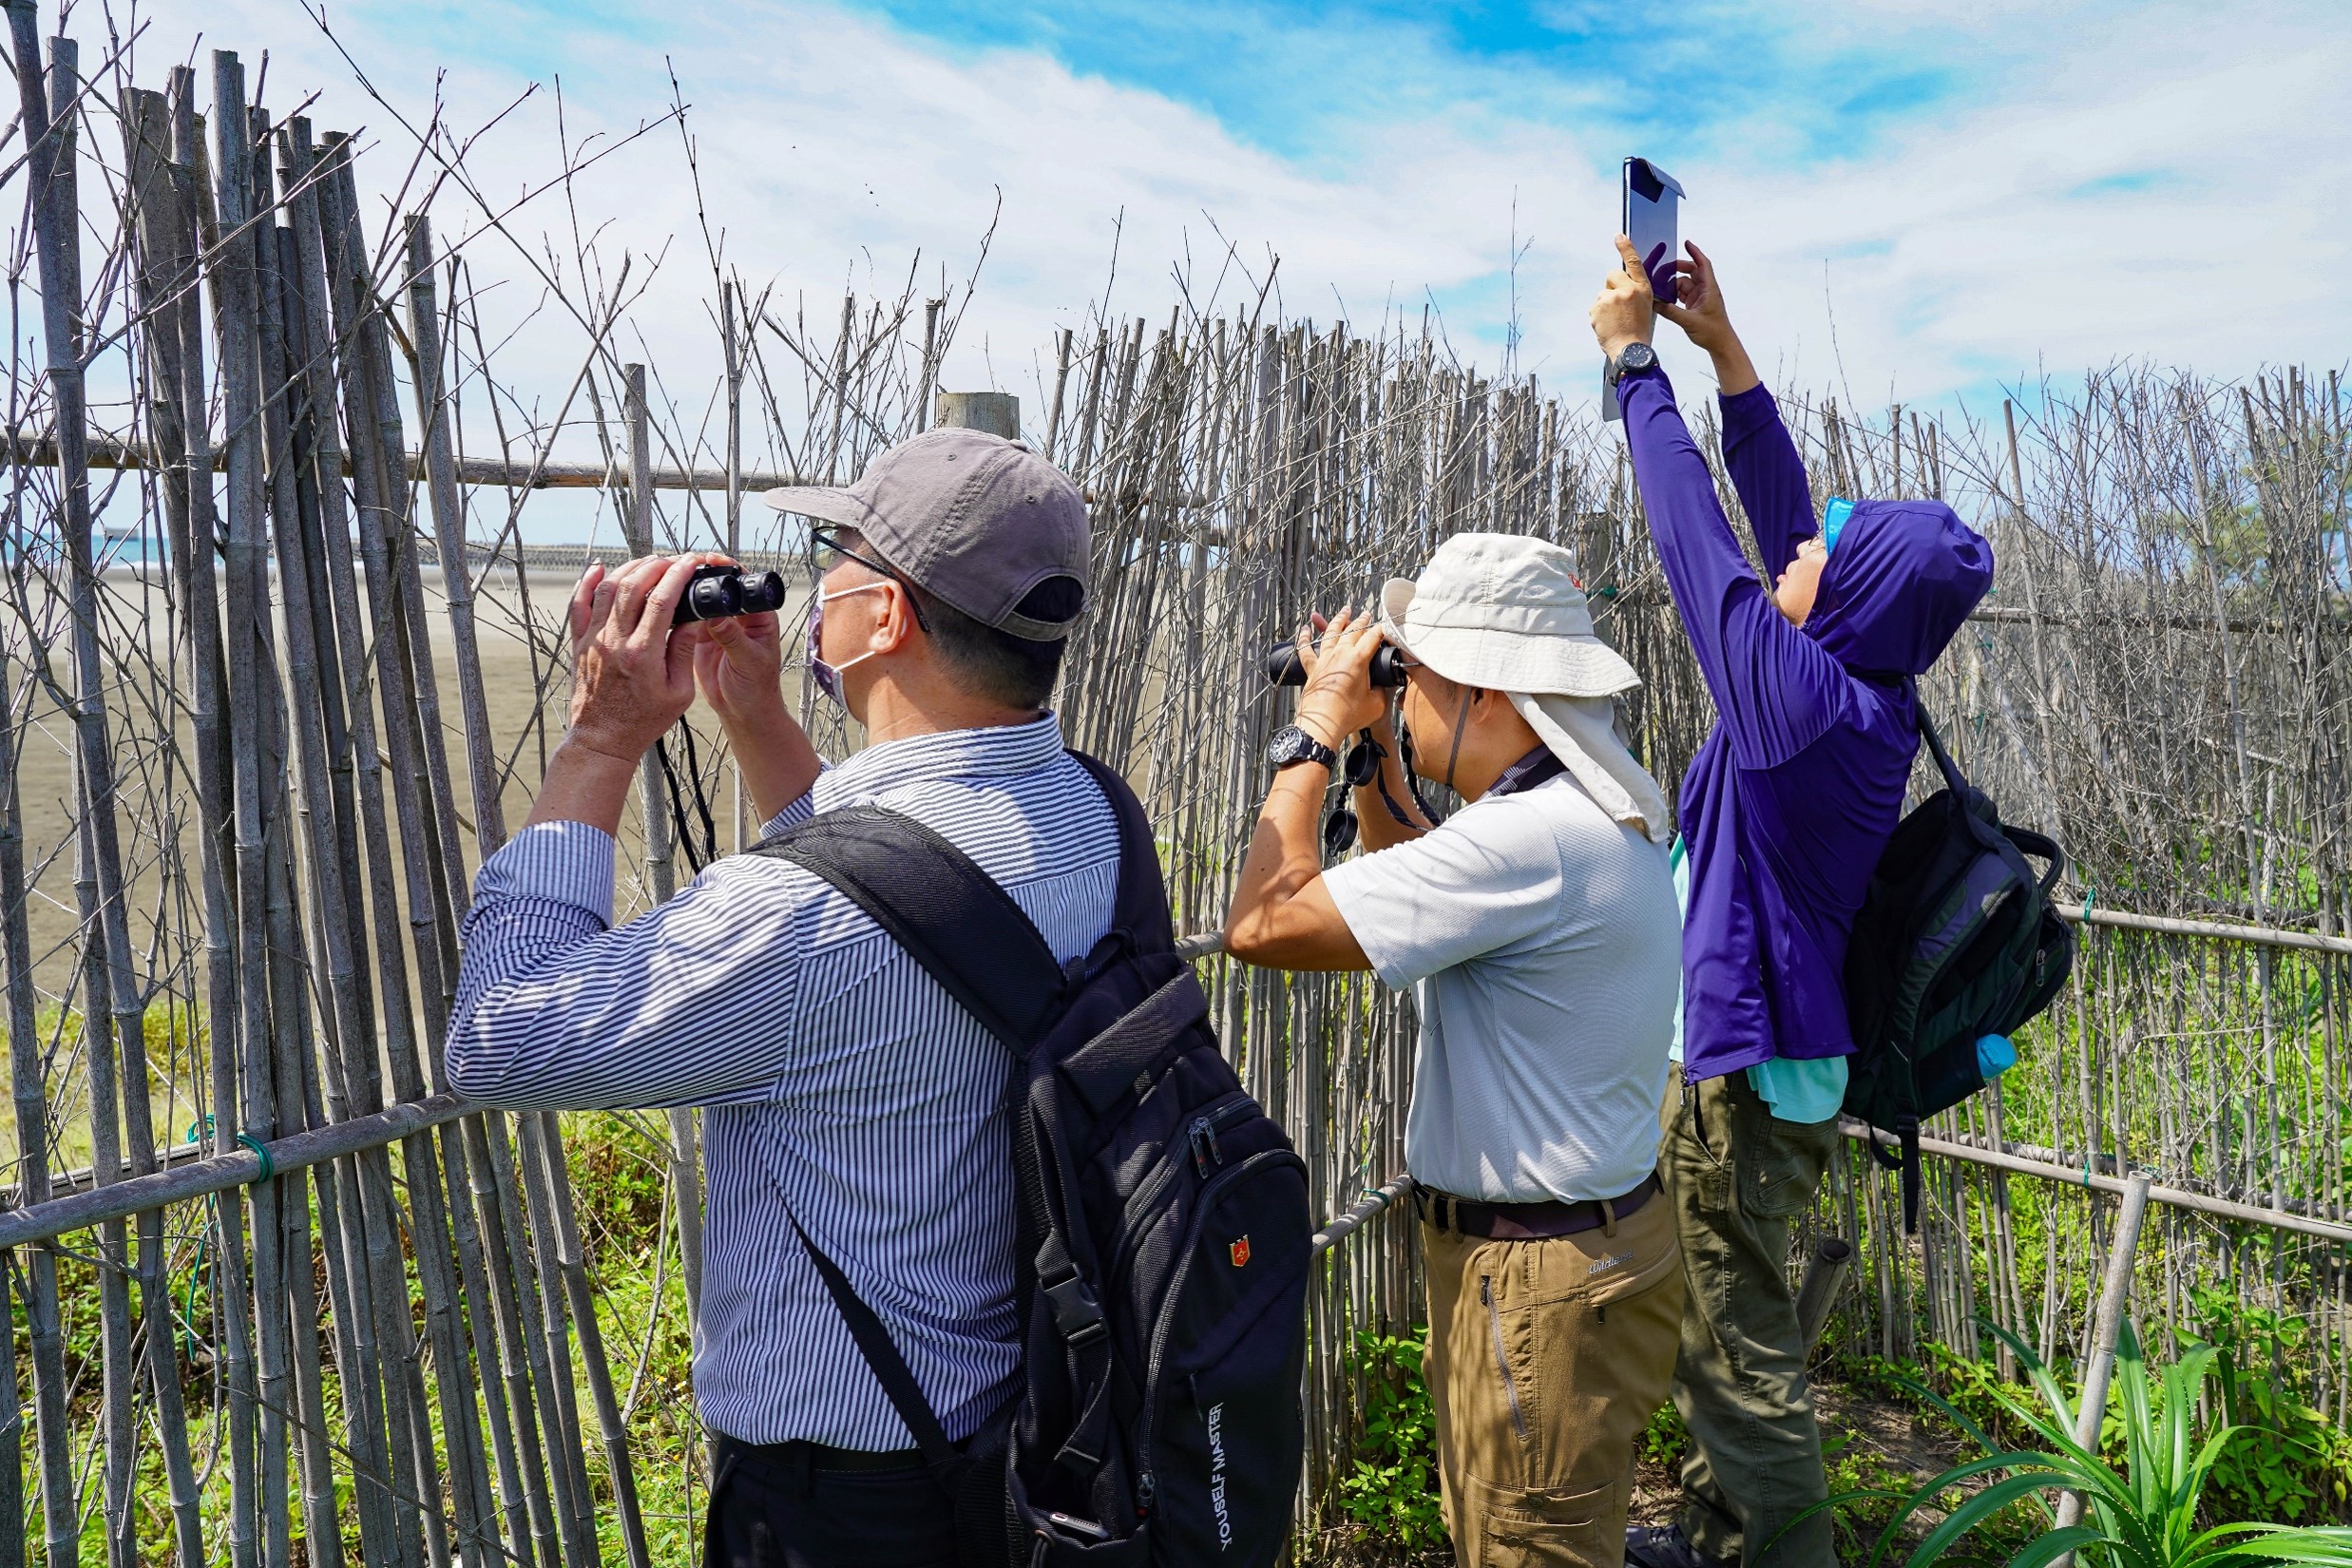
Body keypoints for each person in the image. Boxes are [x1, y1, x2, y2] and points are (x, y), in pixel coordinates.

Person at [444, 428, 1101, 1567]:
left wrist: (601, 738)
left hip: (842, 1501)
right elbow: (907, 893)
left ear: (886, 619)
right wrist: (750, 708)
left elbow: (503, 1039)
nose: (817, 583)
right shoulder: (1094, 816)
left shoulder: (790, 924)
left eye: (829, 552)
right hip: (1022, 1428)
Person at [1589, 238, 1994, 1568]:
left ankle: (1782, 1553)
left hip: (1746, 1073)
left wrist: (1635, 368)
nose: (1803, 552)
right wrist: (1725, 352)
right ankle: (1715, 1532)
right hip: (1786, 1056)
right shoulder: (1853, 680)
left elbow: (1694, 539)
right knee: (1742, 1310)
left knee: (1730, 1346)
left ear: (1853, 599)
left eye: (1832, 554)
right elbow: (1786, 524)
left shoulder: (1795, 705)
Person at [1222, 532, 1685, 1568]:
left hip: (1540, 1281)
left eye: (1411, 675)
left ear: (1486, 690)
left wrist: (1310, 735)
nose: (1399, 695)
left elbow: (1264, 924)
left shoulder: (1531, 844)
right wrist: (1378, 753)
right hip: (1573, 1255)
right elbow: (1421, 889)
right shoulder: (1581, 812)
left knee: (1527, 1549)